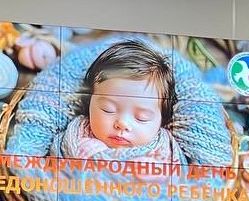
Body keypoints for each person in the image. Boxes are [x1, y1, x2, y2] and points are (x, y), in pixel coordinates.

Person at [52, 39, 180, 174]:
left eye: (142, 117)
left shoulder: (164, 150)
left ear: (162, 120)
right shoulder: (76, 134)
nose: (122, 124)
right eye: (108, 109)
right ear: (89, 103)